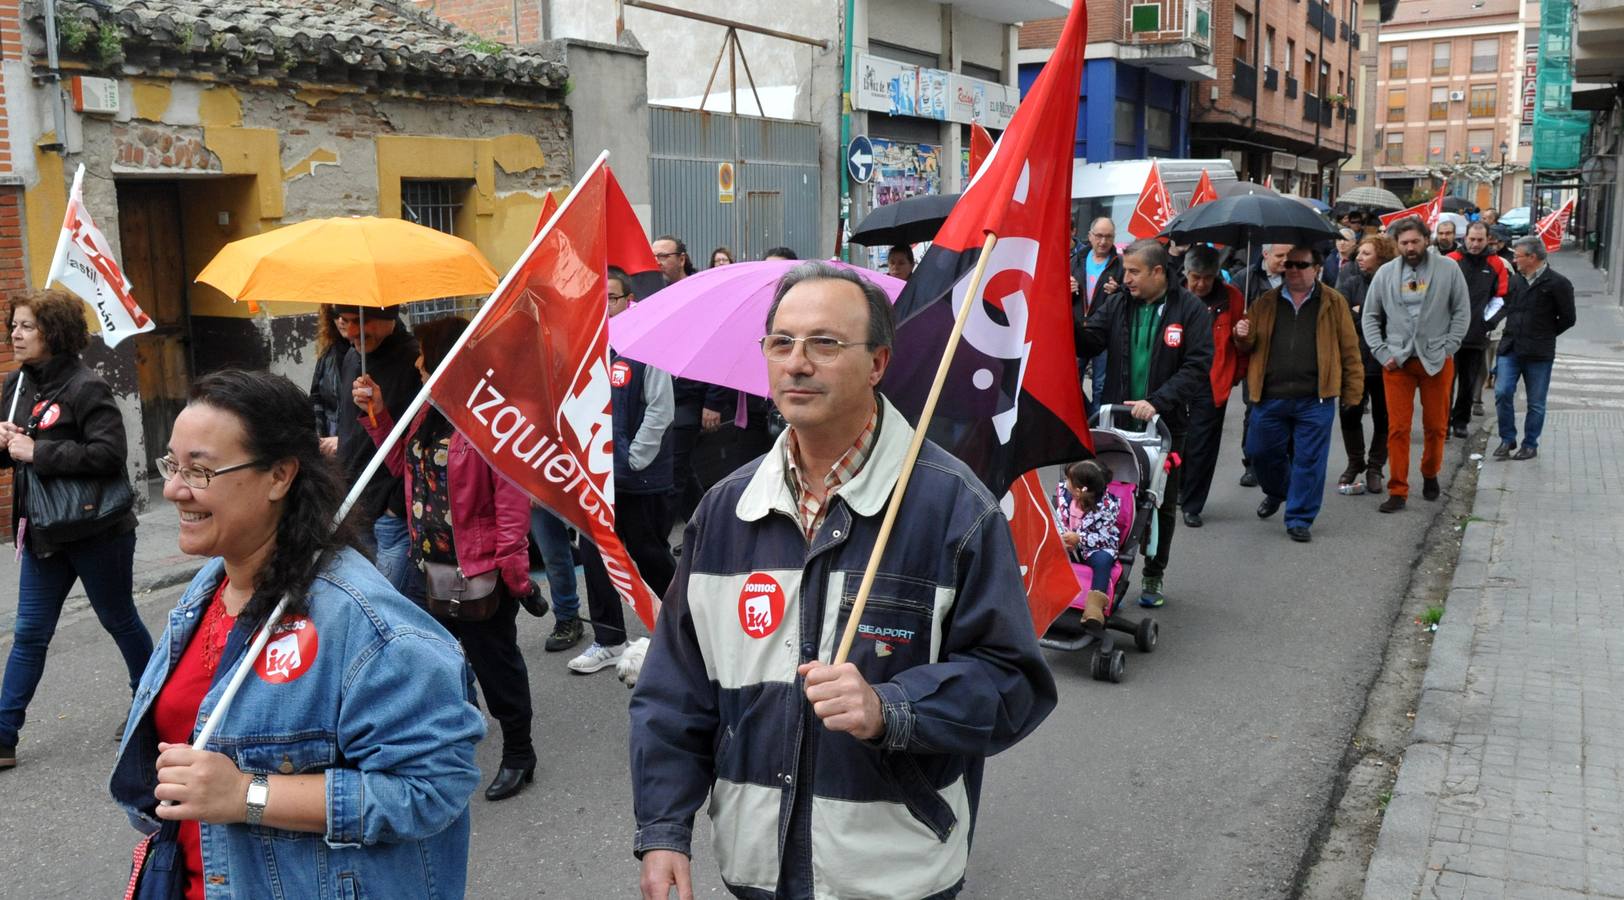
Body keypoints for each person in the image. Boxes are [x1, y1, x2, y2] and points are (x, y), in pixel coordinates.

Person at [629, 261, 1055, 900]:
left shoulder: (954, 509)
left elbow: (1013, 683)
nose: (797, 363)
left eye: (825, 343)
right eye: (781, 343)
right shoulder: (725, 510)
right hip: (755, 866)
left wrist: (892, 708)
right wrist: (664, 828)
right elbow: (675, 687)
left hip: (894, 873)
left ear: (878, 362)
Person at [110, 369, 485, 899]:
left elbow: (431, 790)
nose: (173, 489)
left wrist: (246, 794)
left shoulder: (369, 626)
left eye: (201, 470)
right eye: (172, 464)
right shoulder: (210, 584)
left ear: (280, 476)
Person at [355, 316, 546, 802]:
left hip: (477, 570)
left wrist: (517, 579)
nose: (417, 365)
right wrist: (376, 414)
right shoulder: (429, 410)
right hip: (428, 566)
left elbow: (511, 509)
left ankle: (519, 753)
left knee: (496, 664)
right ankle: (455, 735)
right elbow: (402, 466)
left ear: (448, 360)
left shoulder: (494, 419)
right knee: (432, 660)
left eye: (425, 356)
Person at [0, 289, 152, 770]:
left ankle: (151, 705)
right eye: (13, 325)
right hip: (44, 532)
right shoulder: (16, 386)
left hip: (97, 531)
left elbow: (109, 454)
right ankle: (3, 736)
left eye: (27, 326)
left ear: (54, 332)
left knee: (118, 618)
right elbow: (12, 456)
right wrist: (6, 444)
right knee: (29, 633)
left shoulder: (87, 387)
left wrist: (38, 452)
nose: (15, 334)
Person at [1076, 239, 1214, 605]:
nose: (1126, 278)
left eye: (1134, 272)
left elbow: (1197, 366)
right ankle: (1108, 578)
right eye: (1126, 271)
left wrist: (1157, 402)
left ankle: (1154, 573)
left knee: (1160, 503)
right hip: (1117, 422)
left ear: (1157, 272)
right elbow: (1090, 341)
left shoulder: (1190, 310)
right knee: (1108, 500)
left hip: (1165, 425)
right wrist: (1067, 318)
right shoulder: (1119, 303)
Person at [568, 269, 680, 675]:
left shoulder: (647, 346)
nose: (604, 307)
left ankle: (684, 626)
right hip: (596, 478)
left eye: (611, 298)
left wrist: (633, 459)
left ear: (628, 301)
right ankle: (609, 639)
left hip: (638, 479)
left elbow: (661, 410)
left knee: (649, 556)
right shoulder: (585, 348)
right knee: (596, 556)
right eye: (596, 300)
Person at [1234, 246, 1365, 542]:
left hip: (1315, 398)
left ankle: (1299, 518)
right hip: (1270, 396)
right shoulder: (1265, 302)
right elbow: (1248, 345)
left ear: (1316, 268)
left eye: (1300, 265)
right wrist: (1241, 334)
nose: (1292, 269)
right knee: (1259, 453)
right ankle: (1279, 491)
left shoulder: (1334, 302)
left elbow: (1349, 350)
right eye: (1288, 264)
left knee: (1309, 460)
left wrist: (1352, 392)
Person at [1361, 217, 1471, 513]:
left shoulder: (1448, 269)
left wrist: (1449, 346)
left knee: (1436, 426)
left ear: (1426, 239)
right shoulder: (1385, 273)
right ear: (1396, 244)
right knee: (1397, 428)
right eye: (1404, 243)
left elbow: (1461, 310)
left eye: (1415, 241)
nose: (1410, 247)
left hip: (1436, 359)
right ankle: (1398, 489)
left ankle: (1430, 472)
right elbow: (1370, 315)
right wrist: (1381, 351)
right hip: (1397, 361)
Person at [334, 304, 420, 593]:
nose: (353, 332)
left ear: (388, 318)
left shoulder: (415, 361)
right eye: (345, 321)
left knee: (386, 603)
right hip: (355, 504)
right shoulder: (351, 357)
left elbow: (419, 444)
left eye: (362, 321)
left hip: (392, 515)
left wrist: (395, 506)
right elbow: (347, 427)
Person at [1176, 245, 1248, 527]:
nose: (1201, 284)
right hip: (1178, 377)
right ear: (1186, 273)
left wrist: (1241, 342)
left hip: (1212, 380)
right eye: (1196, 277)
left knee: (1202, 445)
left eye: (1207, 278)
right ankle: (1178, 487)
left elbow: (1242, 347)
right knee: (1177, 439)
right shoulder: (1176, 294)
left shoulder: (1231, 297)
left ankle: (1193, 504)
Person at [1492, 237, 1577, 461]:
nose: (1514, 260)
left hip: (1539, 353)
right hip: (1510, 348)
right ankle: (1507, 438)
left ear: (1532, 257)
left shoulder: (1558, 283)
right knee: (1502, 392)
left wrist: (1545, 334)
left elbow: (1568, 318)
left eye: (1518, 256)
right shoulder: (1515, 281)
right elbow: (1507, 307)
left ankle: (1530, 444)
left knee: (1536, 402)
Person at [1334, 235, 1399, 495]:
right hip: (1355, 360)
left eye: (1366, 253)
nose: (1359, 258)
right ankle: (1355, 461)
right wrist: (1367, 317)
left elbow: (1395, 321)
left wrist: (1361, 314)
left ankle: (1375, 467)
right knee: (1349, 412)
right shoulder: (1351, 283)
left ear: (1381, 257)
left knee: (1384, 416)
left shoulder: (1393, 284)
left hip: (1385, 362)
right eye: (1359, 253)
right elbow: (1341, 317)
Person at [1445, 222, 1510, 437]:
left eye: (1480, 240)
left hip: (1476, 334)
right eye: (1471, 239)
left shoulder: (1496, 264)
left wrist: (1488, 323)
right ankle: (1443, 422)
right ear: (1465, 238)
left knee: (1468, 382)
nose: (1475, 244)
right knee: (1445, 383)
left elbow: (1503, 297)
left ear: (1487, 240)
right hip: (1448, 334)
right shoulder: (1451, 261)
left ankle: (1461, 421)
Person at [1236, 243, 1290, 487]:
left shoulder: (1295, 277)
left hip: (1287, 356)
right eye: (1280, 255)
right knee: (1254, 410)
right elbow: (1234, 312)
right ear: (1265, 254)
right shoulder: (1245, 279)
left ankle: (1282, 460)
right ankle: (1252, 464)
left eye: (1289, 255)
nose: (1285, 260)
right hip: (1256, 356)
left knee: (1286, 410)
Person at [1053, 459, 1122, 633]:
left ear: (1079, 489)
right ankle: (1044, 595)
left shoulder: (1106, 508)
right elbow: (1058, 518)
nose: (1065, 483)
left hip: (1096, 546)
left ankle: (1094, 608)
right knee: (1047, 552)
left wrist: (1080, 538)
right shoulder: (1065, 497)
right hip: (1069, 543)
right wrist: (1061, 536)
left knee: (1103, 561)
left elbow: (1104, 535)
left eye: (1068, 480)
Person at [1070, 216, 1121, 402]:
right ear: (1090, 236)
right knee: (1072, 382)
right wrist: (1067, 290)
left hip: (1104, 333)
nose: (1103, 241)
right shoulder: (1076, 261)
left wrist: (1118, 290)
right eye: (1099, 236)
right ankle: (1079, 416)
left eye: (1109, 236)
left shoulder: (1120, 264)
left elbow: (1129, 296)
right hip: (1077, 331)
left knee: (1101, 385)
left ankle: (1098, 420)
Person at [309, 304, 346, 458]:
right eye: (335, 314)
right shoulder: (328, 354)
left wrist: (344, 441)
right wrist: (319, 436)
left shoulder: (365, 356)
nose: (341, 320)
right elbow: (316, 397)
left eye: (347, 315)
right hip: (329, 447)